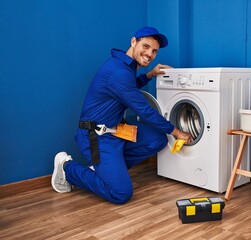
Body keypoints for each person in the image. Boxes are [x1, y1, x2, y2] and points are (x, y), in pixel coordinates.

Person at [51, 26, 193, 204]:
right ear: (134, 41)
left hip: (116, 131)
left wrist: (149, 75)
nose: (150, 54)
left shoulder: (124, 65)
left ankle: (106, 170)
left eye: (154, 51)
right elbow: (145, 111)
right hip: (95, 136)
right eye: (146, 46)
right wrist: (177, 132)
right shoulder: (119, 72)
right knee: (120, 193)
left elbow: (129, 88)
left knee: (158, 139)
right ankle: (67, 168)